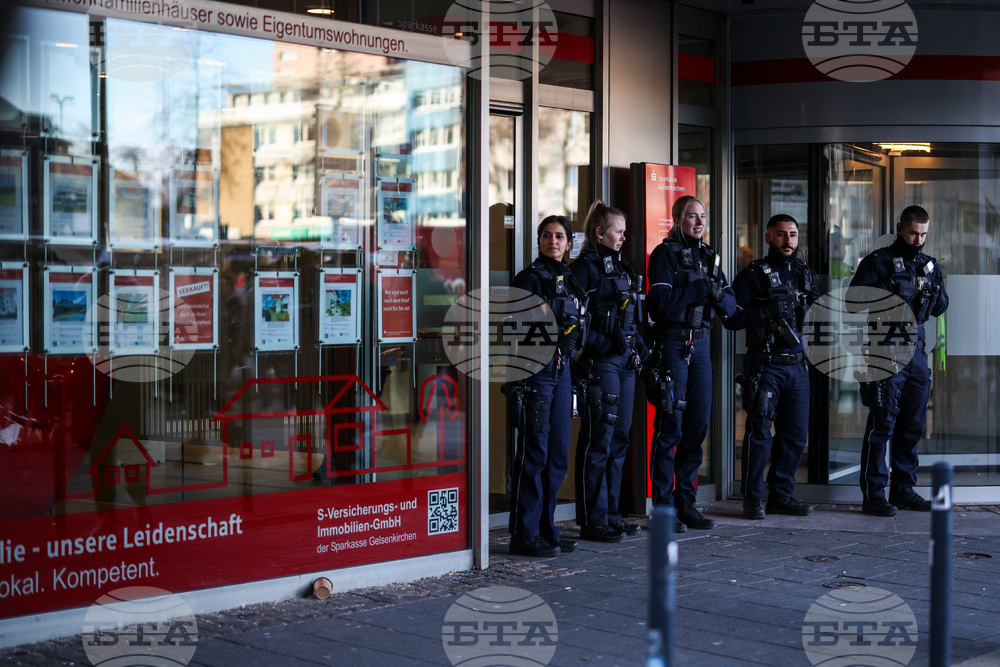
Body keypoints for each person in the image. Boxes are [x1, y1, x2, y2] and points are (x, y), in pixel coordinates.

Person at [847, 205, 949, 516]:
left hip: (916, 352)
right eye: (913, 233)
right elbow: (853, 302)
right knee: (882, 423)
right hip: (885, 349)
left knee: (913, 424)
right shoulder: (878, 261)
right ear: (900, 228)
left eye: (923, 234)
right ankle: (874, 494)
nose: (918, 240)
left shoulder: (928, 266)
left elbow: (940, 307)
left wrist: (932, 291)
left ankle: (903, 490)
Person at [646, 196, 736, 532]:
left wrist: (717, 294)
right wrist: (698, 289)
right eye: (691, 216)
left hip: (700, 346)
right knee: (671, 426)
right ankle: (663, 509)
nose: (698, 222)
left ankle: (686, 502)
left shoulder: (710, 256)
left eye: (702, 216)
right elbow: (658, 303)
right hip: (673, 344)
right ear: (677, 219)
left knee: (697, 427)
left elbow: (731, 306)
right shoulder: (665, 254)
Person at [726, 214, 819, 520]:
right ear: (768, 238)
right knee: (760, 434)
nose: (788, 240)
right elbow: (731, 318)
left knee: (795, 435)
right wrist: (764, 312)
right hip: (765, 366)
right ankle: (752, 499)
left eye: (793, 234)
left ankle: (781, 496)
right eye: (781, 234)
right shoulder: (752, 276)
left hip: (798, 366)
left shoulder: (806, 275)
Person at [507, 215, 588, 557]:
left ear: (569, 243)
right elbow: (513, 327)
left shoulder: (569, 279)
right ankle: (524, 534)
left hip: (561, 370)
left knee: (557, 453)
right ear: (539, 241)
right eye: (546, 236)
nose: (552, 241)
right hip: (536, 371)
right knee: (534, 453)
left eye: (559, 237)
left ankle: (546, 528)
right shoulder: (529, 278)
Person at [570, 201, 648, 542]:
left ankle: (611, 515)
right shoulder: (584, 268)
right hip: (600, 362)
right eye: (618, 231)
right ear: (600, 232)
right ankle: (593, 519)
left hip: (624, 361)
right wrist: (598, 342)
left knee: (619, 439)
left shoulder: (621, 266)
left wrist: (640, 347)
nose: (623, 237)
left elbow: (629, 316)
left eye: (624, 232)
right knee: (599, 440)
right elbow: (571, 318)